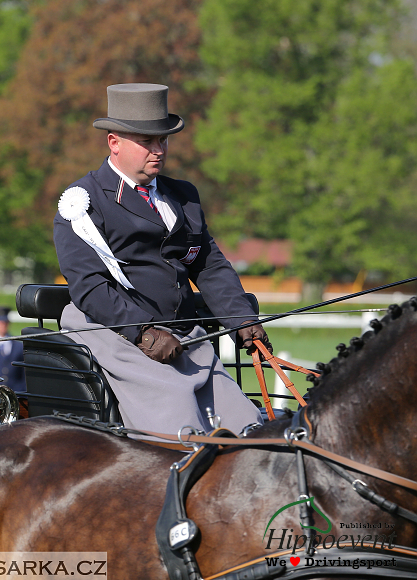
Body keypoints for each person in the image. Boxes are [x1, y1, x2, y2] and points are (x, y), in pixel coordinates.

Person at [53, 83, 271, 436]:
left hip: (185, 335)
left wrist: (242, 319)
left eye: (163, 141)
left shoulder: (182, 197)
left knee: (247, 427)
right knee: (182, 432)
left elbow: (209, 265)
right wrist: (143, 332)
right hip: (118, 335)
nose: (158, 150)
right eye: (147, 141)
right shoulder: (83, 203)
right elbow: (89, 287)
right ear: (114, 142)